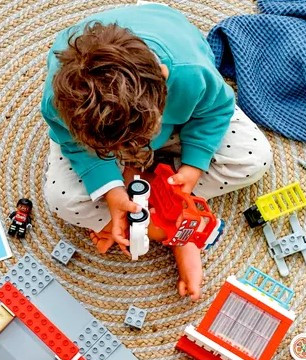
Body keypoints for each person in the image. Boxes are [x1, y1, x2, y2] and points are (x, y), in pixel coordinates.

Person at [41, 4, 272, 300]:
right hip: (101, 142)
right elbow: (73, 144)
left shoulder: (190, 73)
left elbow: (215, 111)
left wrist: (193, 167)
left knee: (254, 158)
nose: (135, 152)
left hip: (181, 124)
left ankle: (162, 215)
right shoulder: (58, 103)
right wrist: (111, 190)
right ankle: (168, 220)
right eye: (124, 149)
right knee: (61, 200)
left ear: (163, 77)